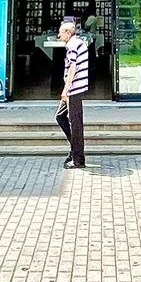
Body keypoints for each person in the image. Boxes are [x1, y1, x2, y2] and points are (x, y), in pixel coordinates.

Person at [55, 16, 90, 168]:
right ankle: (74, 148)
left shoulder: (73, 46)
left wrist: (66, 90)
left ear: (68, 33)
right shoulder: (77, 43)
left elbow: (72, 69)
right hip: (75, 88)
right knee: (60, 116)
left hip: (74, 89)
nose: (59, 35)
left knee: (75, 124)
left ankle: (78, 160)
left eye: (61, 32)